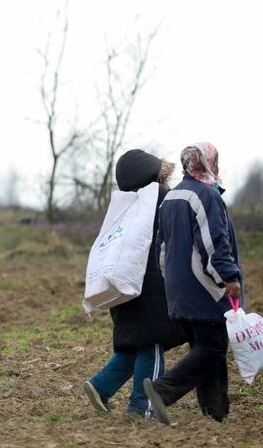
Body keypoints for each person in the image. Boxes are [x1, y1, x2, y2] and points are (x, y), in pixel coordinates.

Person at [143, 142, 243, 425]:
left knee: (206, 346)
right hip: (204, 287)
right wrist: (227, 277)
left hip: (177, 286)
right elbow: (213, 242)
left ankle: (215, 412)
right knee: (212, 347)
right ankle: (162, 391)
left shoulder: (172, 196)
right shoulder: (206, 194)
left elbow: (159, 247)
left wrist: (170, 279)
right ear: (209, 162)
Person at [82, 149, 186, 418]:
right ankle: (142, 406)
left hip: (124, 288)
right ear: (153, 175)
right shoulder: (162, 199)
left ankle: (100, 386)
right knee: (151, 347)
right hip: (152, 292)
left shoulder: (124, 206)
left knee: (134, 346)